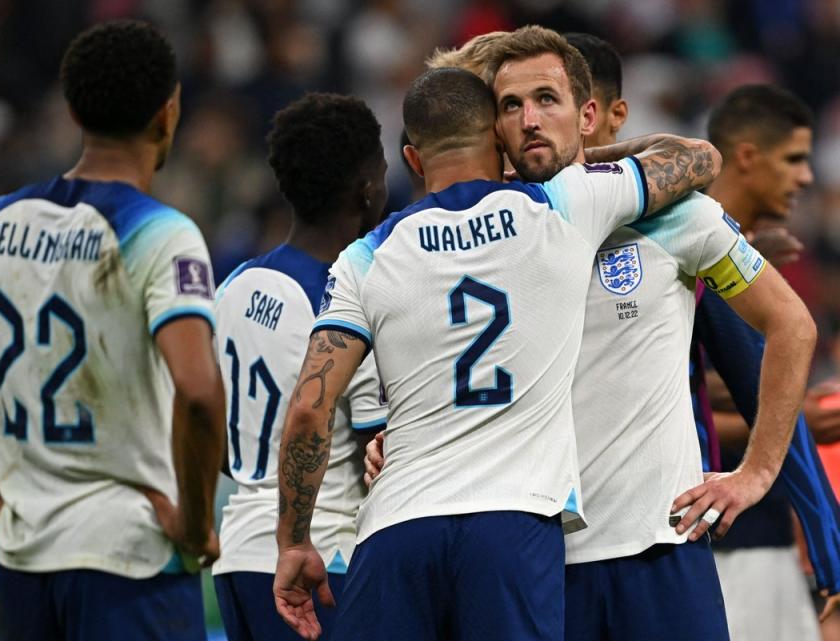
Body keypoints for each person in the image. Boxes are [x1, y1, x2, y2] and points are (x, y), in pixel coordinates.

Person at [366, 29, 818, 641]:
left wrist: (757, 471)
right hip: (541, 562)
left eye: (547, 100)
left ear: (587, 114)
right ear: (492, 128)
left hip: (662, 545)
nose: (529, 120)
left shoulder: (677, 215)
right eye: (509, 106)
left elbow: (791, 324)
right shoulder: (487, 240)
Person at [274, 42, 721, 639]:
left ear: (412, 158)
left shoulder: (364, 256)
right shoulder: (563, 204)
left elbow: (308, 410)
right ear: (499, 139)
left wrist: (295, 541)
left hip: (395, 529)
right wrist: (583, 161)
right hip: (513, 525)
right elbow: (697, 157)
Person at [0, 20, 225, 641]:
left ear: (71, 110)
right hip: (130, 554)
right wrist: (198, 522)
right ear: (168, 112)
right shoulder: (162, 232)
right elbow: (199, 393)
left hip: (28, 554)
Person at [212, 92, 388, 641]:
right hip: (318, 562)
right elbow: (377, 453)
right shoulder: (345, 301)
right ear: (367, 187)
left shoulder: (234, 285)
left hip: (239, 555)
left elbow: (215, 437)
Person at [696, 84, 836, 641]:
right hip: (721, 540)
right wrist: (789, 416)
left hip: (771, 531)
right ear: (748, 156)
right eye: (794, 158)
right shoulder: (674, 247)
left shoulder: (751, 258)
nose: (806, 176)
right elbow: (682, 391)